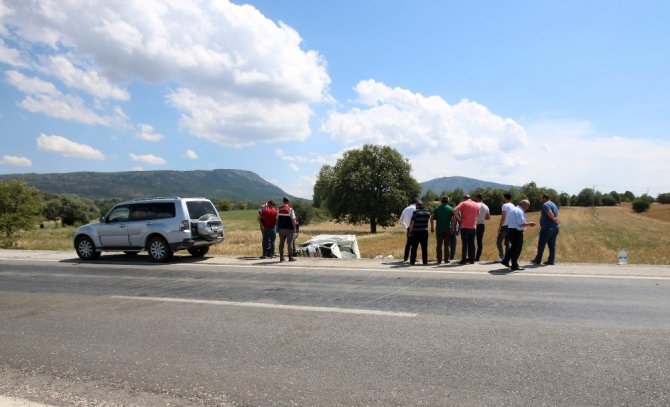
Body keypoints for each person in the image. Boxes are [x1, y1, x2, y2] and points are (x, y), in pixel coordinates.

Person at [502, 199, 536, 271]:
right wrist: (530, 223)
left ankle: (505, 260)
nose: (528, 208)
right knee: (517, 249)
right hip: (516, 232)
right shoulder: (519, 211)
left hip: (510, 230)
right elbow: (521, 224)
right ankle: (514, 265)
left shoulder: (513, 210)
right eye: (528, 206)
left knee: (513, 247)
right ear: (524, 204)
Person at [531, 193, 560, 265]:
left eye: (541, 198)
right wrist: (555, 220)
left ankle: (538, 260)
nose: (540, 200)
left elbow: (549, 212)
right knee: (552, 245)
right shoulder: (554, 204)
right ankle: (551, 260)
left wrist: (553, 219)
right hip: (555, 228)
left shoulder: (545, 205)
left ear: (544, 198)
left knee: (541, 244)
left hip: (547, 228)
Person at [454, 194, 480, 264]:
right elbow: (478, 214)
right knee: (472, 244)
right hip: (473, 226)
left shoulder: (463, 203)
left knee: (465, 244)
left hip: (465, 226)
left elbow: (455, 210)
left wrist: (459, 220)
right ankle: (472, 260)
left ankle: (464, 260)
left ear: (464, 198)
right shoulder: (476, 204)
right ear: (470, 198)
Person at [430, 196, 454, 264]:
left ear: (441, 201)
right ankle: (446, 259)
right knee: (447, 245)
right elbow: (452, 220)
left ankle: (439, 259)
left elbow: (431, 218)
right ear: (447, 201)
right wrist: (452, 228)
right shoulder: (450, 209)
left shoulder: (437, 208)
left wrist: (432, 227)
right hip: (447, 228)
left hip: (439, 228)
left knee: (439, 244)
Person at [276, 197, 297, 262]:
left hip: (281, 229)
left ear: (283, 202)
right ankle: (290, 257)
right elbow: (293, 220)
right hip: (289, 229)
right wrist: (295, 228)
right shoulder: (290, 209)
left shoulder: (279, 209)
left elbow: (277, 219)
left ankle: (281, 257)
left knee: (281, 243)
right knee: (289, 243)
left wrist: (278, 227)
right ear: (288, 202)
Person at [496, 192, 514, 262]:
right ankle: (507, 257)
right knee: (507, 243)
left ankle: (501, 256)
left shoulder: (504, 205)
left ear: (505, 197)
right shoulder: (513, 205)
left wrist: (499, 227)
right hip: (511, 226)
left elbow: (503, 217)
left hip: (505, 226)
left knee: (498, 241)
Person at [474, 193, 491, 262]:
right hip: (481, 225)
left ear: (477, 198)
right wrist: (482, 217)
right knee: (479, 242)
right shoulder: (486, 206)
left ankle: (471, 256)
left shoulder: (475, 205)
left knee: (471, 241)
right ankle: (477, 258)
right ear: (482, 198)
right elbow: (488, 217)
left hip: (474, 225)